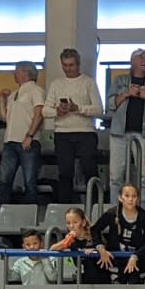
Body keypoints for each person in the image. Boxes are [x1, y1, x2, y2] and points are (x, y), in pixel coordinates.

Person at [105, 49, 145, 204]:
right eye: (141, 57)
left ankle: (144, 212)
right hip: (119, 134)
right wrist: (127, 93)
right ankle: (117, 211)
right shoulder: (119, 81)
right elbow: (109, 105)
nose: (144, 60)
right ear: (132, 61)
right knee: (115, 176)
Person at [43, 49, 103, 202]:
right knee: (65, 172)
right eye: (65, 65)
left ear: (78, 64)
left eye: (71, 65)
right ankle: (66, 207)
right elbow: (45, 110)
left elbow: (99, 109)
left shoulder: (88, 82)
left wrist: (78, 109)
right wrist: (58, 111)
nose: (68, 69)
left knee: (89, 169)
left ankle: (95, 205)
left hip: (85, 132)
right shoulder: (56, 84)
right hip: (62, 133)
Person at [0, 61, 44, 209]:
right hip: (10, 140)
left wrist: (29, 135)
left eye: (17, 70)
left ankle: (30, 213)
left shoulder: (36, 90)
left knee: (29, 180)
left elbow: (39, 113)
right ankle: (1, 212)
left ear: (26, 73)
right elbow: (6, 118)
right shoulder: (15, 93)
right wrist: (2, 100)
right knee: (5, 180)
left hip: (27, 141)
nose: (14, 73)